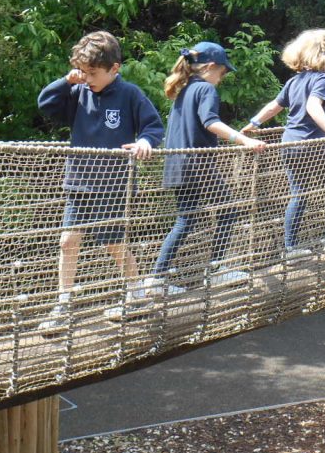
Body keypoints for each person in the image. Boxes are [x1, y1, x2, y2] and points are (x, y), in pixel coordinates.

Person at [37, 31, 164, 333]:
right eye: (82, 71)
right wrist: (67, 81)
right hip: (78, 180)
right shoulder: (78, 91)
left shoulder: (130, 94)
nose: (87, 77)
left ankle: (137, 294)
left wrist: (145, 142)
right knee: (67, 241)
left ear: (115, 69)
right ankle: (64, 304)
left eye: (93, 72)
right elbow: (45, 104)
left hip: (111, 183)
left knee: (113, 243)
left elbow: (153, 126)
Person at [148, 42, 266, 294]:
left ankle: (157, 279)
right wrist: (243, 139)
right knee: (228, 211)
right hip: (197, 166)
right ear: (212, 67)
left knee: (186, 220)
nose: (221, 79)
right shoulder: (205, 89)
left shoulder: (185, 89)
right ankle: (216, 270)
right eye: (222, 73)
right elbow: (210, 122)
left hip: (177, 166)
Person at [243, 29, 325, 257]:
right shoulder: (323, 79)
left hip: (289, 145)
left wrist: (254, 123)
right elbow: (314, 107)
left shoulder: (294, 81)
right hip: (311, 146)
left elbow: (275, 106)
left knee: (299, 194)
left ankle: (290, 248)